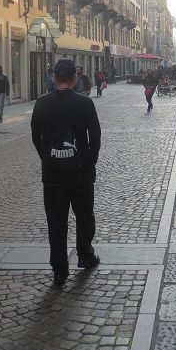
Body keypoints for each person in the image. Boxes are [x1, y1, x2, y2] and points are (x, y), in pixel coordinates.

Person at [31, 59, 101, 287]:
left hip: (52, 173)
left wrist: (46, 157)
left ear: (54, 77)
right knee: (84, 216)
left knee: (56, 221)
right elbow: (95, 137)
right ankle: (85, 254)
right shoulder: (85, 103)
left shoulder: (41, 103)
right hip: (80, 172)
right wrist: (90, 162)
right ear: (74, 78)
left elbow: (35, 135)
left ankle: (59, 268)